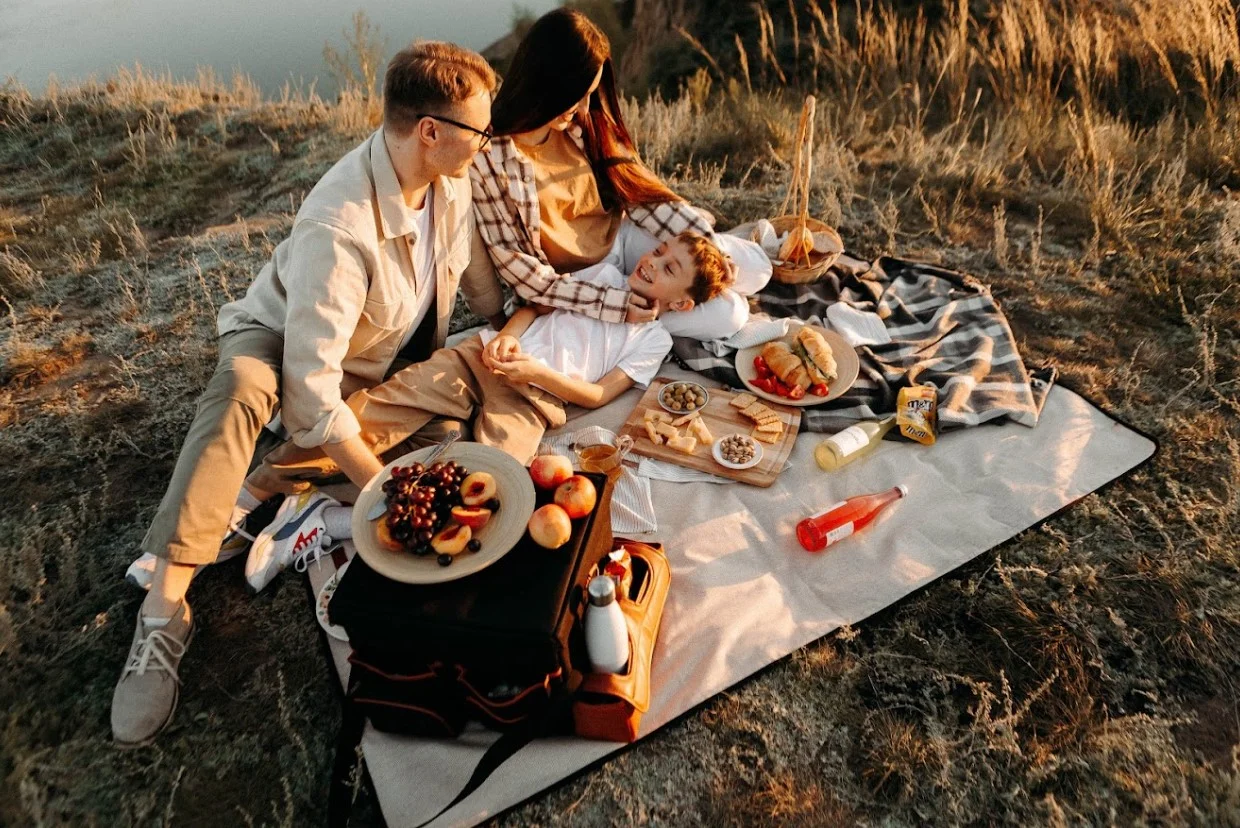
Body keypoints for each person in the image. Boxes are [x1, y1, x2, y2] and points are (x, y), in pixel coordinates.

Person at [110, 41, 504, 746]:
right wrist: (377, 484)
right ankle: (165, 608)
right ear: (431, 132)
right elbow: (311, 391)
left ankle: (291, 500)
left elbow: (469, 267)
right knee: (239, 391)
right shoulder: (339, 222)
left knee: (453, 436)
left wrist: (508, 326)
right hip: (281, 337)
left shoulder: (450, 182)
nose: (488, 140)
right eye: (479, 129)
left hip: (374, 362)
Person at [238, 230, 734, 586]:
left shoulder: (651, 339)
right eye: (660, 250)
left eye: (670, 268)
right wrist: (508, 340)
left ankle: (332, 518)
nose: (653, 261)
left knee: (488, 490)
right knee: (385, 405)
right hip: (483, 356)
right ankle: (258, 487)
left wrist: (536, 375)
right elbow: (537, 304)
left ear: (684, 304)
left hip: (533, 400)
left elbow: (600, 395)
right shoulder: (604, 275)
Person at [469, 7, 770, 342]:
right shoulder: (487, 161)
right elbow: (526, 277)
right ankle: (630, 326)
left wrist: (711, 250)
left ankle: (693, 281)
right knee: (727, 315)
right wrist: (615, 306)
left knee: (755, 269)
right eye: (576, 97)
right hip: (584, 280)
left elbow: (645, 199)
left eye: (590, 95)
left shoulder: (584, 124)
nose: (584, 108)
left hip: (627, 240)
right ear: (545, 85)